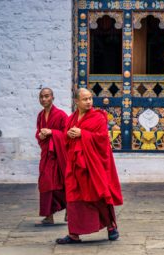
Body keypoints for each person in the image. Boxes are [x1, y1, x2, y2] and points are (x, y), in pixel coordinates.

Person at [56, 88, 123, 244]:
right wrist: (68, 135)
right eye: (85, 99)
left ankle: (111, 227)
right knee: (73, 199)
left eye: (90, 99)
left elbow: (102, 140)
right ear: (76, 102)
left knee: (98, 195)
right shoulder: (71, 119)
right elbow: (66, 138)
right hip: (75, 166)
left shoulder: (98, 118)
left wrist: (83, 134)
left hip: (91, 166)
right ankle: (74, 234)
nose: (88, 102)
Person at [35, 88, 68, 226]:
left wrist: (52, 132)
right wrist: (40, 135)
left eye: (46, 96)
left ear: (52, 98)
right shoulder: (40, 116)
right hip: (47, 155)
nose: (43, 99)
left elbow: (66, 135)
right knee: (45, 183)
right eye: (41, 97)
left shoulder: (61, 115)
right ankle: (49, 215)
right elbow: (38, 133)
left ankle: (69, 209)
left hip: (58, 156)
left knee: (60, 184)